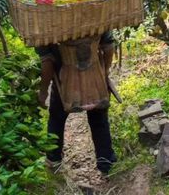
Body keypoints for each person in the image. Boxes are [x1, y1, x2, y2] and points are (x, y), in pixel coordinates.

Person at [36, 31, 118, 175]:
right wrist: (104, 73)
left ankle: (53, 161)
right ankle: (106, 161)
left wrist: (43, 92)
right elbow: (108, 46)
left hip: (64, 82)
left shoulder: (43, 25)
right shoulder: (95, 14)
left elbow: (47, 62)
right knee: (99, 119)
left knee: (56, 119)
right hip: (94, 78)